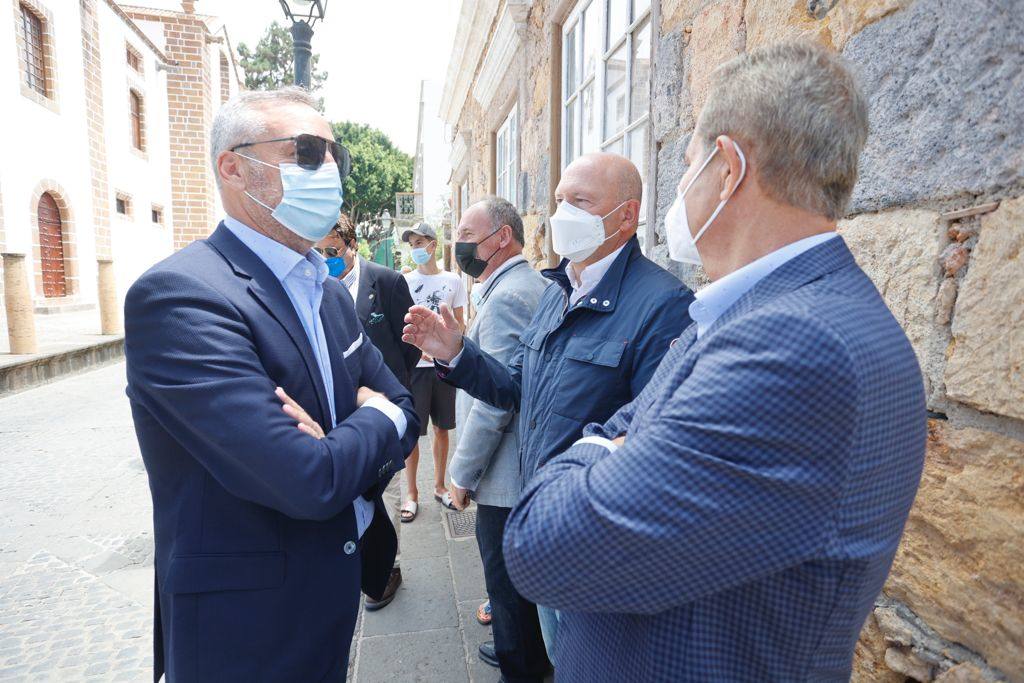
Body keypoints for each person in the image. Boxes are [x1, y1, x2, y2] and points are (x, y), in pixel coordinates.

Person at [499, 43, 928, 681]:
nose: (682, 184)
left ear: (728, 170)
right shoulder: (766, 315)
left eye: (690, 162)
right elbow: (615, 434)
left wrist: (607, 447)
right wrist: (615, 447)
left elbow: (542, 545)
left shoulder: (792, 347)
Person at [124, 87, 419, 680]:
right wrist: (375, 417)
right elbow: (306, 478)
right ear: (233, 167)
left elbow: (407, 405)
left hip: (331, 595)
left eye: (337, 155)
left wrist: (344, 438)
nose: (330, 169)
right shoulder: (183, 296)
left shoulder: (329, 291)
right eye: (307, 153)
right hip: (247, 631)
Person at [402, 153, 694, 666]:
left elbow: (655, 447)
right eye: (559, 199)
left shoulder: (662, 304)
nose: (562, 214)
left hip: (592, 546)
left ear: (626, 217)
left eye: (581, 202)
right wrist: (458, 356)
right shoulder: (559, 291)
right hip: (543, 525)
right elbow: (519, 390)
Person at [446, 197, 549, 681]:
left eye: (467, 233)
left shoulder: (509, 296)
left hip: (505, 474)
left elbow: (496, 400)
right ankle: (520, 649)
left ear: (502, 237)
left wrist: (461, 474)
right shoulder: (513, 285)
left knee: (505, 583)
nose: (458, 244)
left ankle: (519, 663)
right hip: (517, 468)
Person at [316, 215, 420, 612]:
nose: (326, 259)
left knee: (384, 490)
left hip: (383, 407)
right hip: (339, 418)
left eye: (332, 252)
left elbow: (407, 343)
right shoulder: (316, 290)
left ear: (351, 245)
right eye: (319, 251)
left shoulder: (387, 281)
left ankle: (386, 568)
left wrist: (390, 391)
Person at [401, 222, 467, 517]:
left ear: (433, 244)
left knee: (443, 428)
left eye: (420, 242)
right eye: (411, 243)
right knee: (412, 432)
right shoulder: (402, 280)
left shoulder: (454, 281)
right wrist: (419, 350)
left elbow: (461, 323)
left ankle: (440, 487)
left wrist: (446, 350)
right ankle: (411, 494)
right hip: (414, 368)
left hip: (443, 367)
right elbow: (399, 325)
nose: (416, 248)